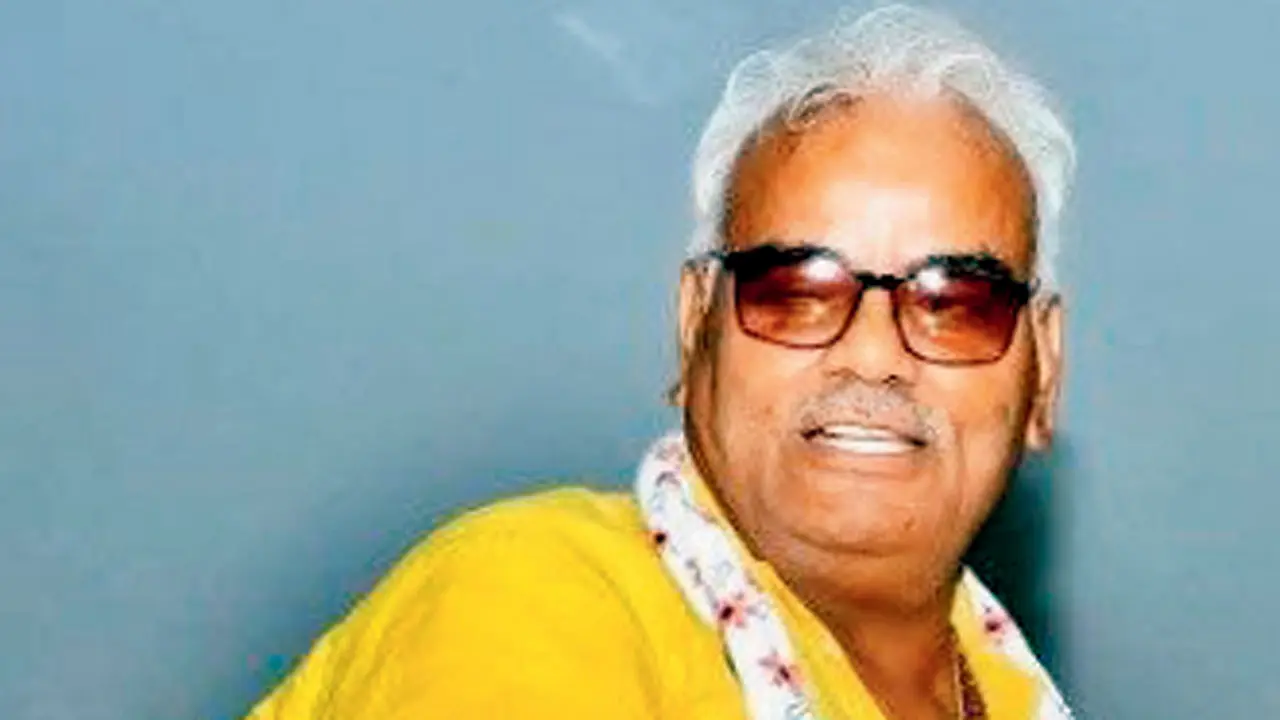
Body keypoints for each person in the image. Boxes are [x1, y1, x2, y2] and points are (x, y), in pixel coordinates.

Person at [246, 3, 1076, 718]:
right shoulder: (535, 596)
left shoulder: (1010, 692)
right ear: (693, 327)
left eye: (955, 302)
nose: (870, 352)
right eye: (795, 290)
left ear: (1043, 368)